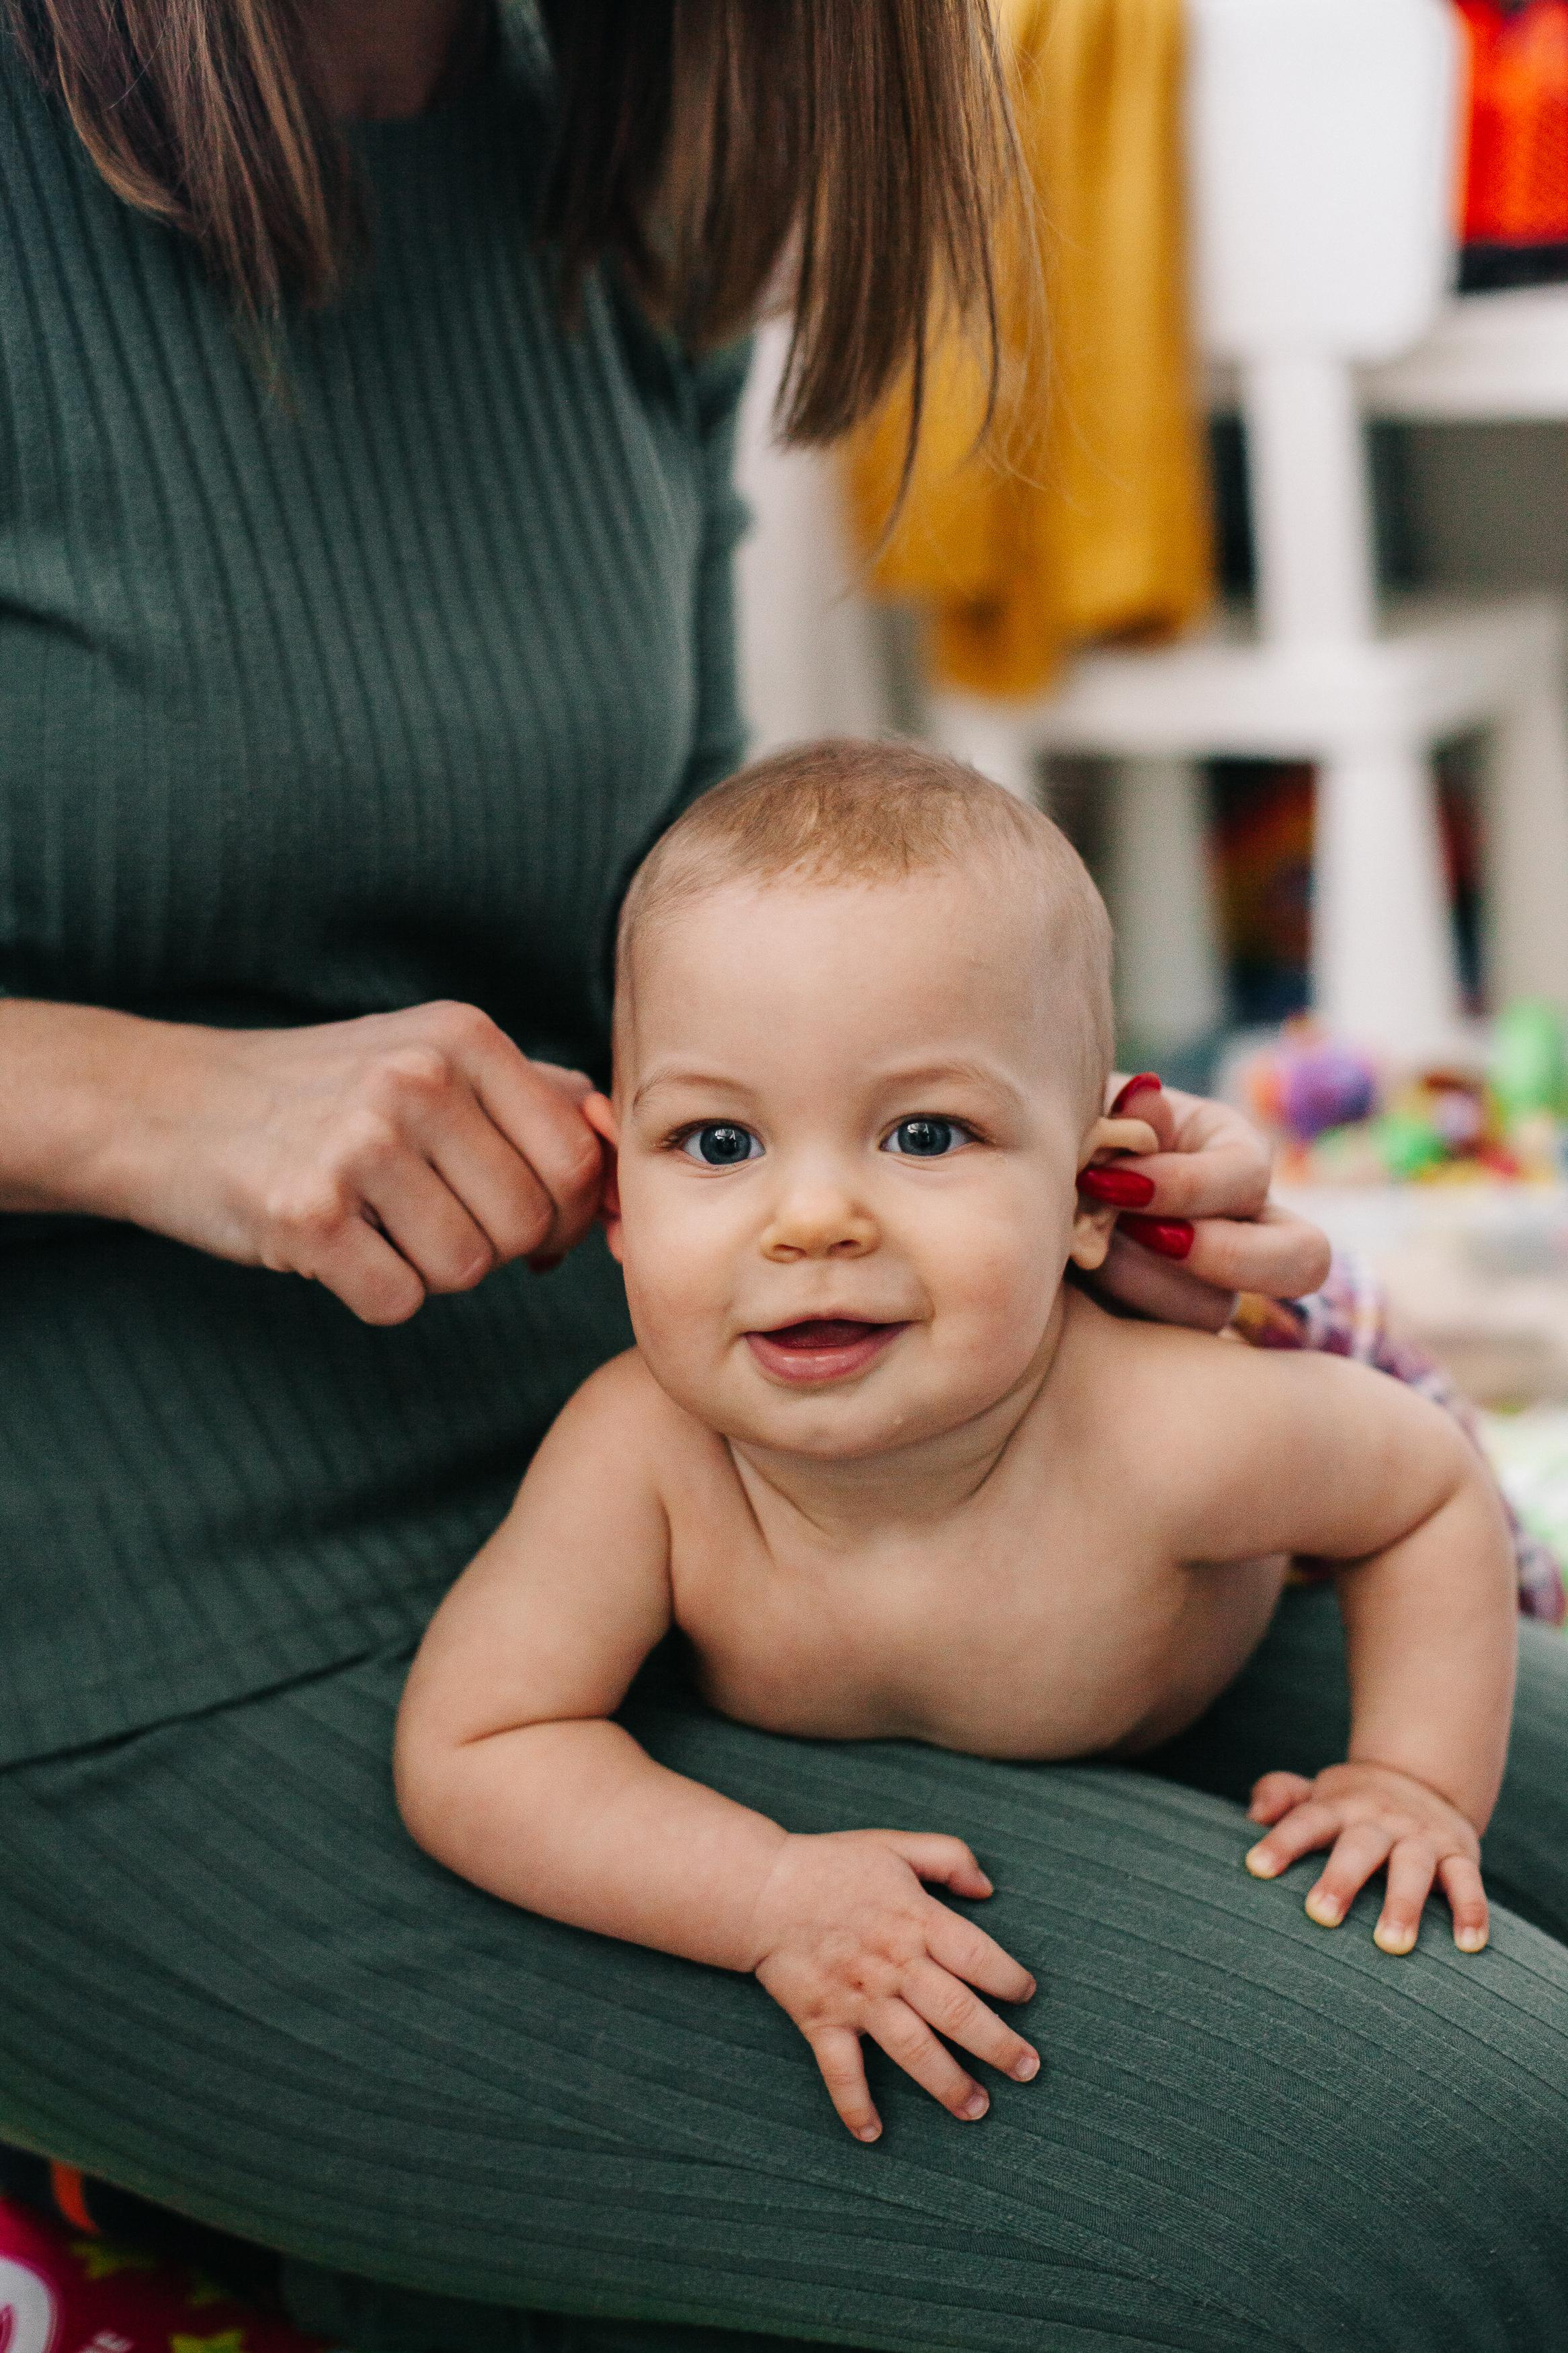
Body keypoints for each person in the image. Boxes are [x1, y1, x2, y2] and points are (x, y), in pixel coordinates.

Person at [0, 1, 1565, 2348]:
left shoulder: (592, 118)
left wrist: (1044, 1195)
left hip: (763, 1485)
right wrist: (127, 1103)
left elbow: (677, 924)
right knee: (1477, 2175)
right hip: (135, 1643)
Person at [395, 744, 1516, 2146]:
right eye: (718, 1141)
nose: (810, 1219)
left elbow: (1421, 1488)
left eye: (926, 1132)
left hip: (1242, 1572)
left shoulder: (1168, 1433)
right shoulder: (645, 1460)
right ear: (617, 1190)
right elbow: (478, 1742)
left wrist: (1410, 1776)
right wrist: (763, 1894)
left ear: (1089, 1191)